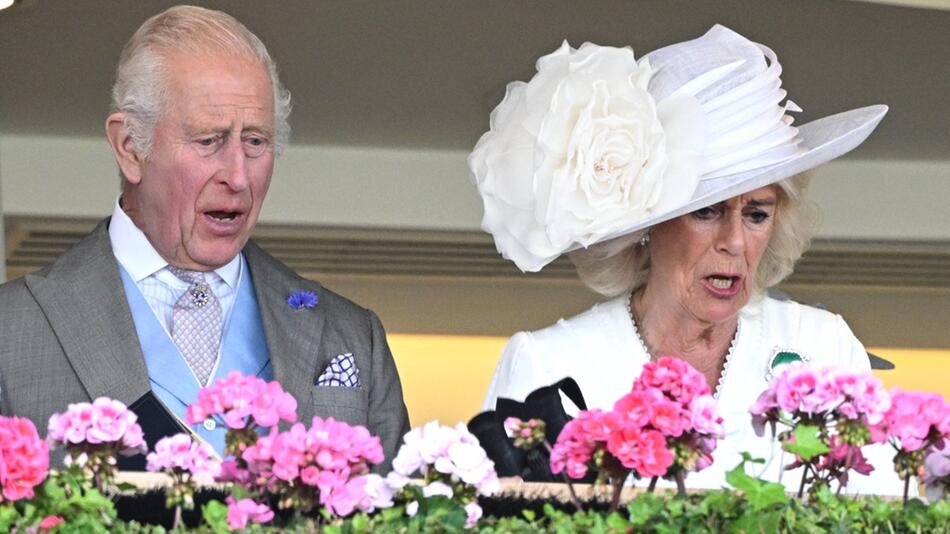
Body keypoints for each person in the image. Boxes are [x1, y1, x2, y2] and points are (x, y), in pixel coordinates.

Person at [471, 25, 903, 493]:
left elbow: (882, 512)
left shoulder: (824, 347)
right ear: (645, 227)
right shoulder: (551, 365)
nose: (735, 242)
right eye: (707, 211)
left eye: (757, 214)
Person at [0, 5, 408, 471]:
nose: (238, 176)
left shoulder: (352, 336)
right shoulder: (10, 329)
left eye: (255, 141)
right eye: (209, 141)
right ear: (130, 146)